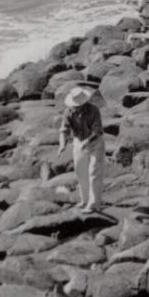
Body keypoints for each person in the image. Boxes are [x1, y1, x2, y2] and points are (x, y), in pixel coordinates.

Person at [57, 85, 108, 214]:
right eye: (74, 105)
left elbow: (97, 131)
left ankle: (93, 204)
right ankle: (85, 200)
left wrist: (88, 141)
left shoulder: (94, 110)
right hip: (78, 141)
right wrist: (62, 145)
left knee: (94, 173)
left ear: (84, 102)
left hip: (95, 142)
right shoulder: (68, 112)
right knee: (80, 172)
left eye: (78, 105)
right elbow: (63, 130)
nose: (75, 107)